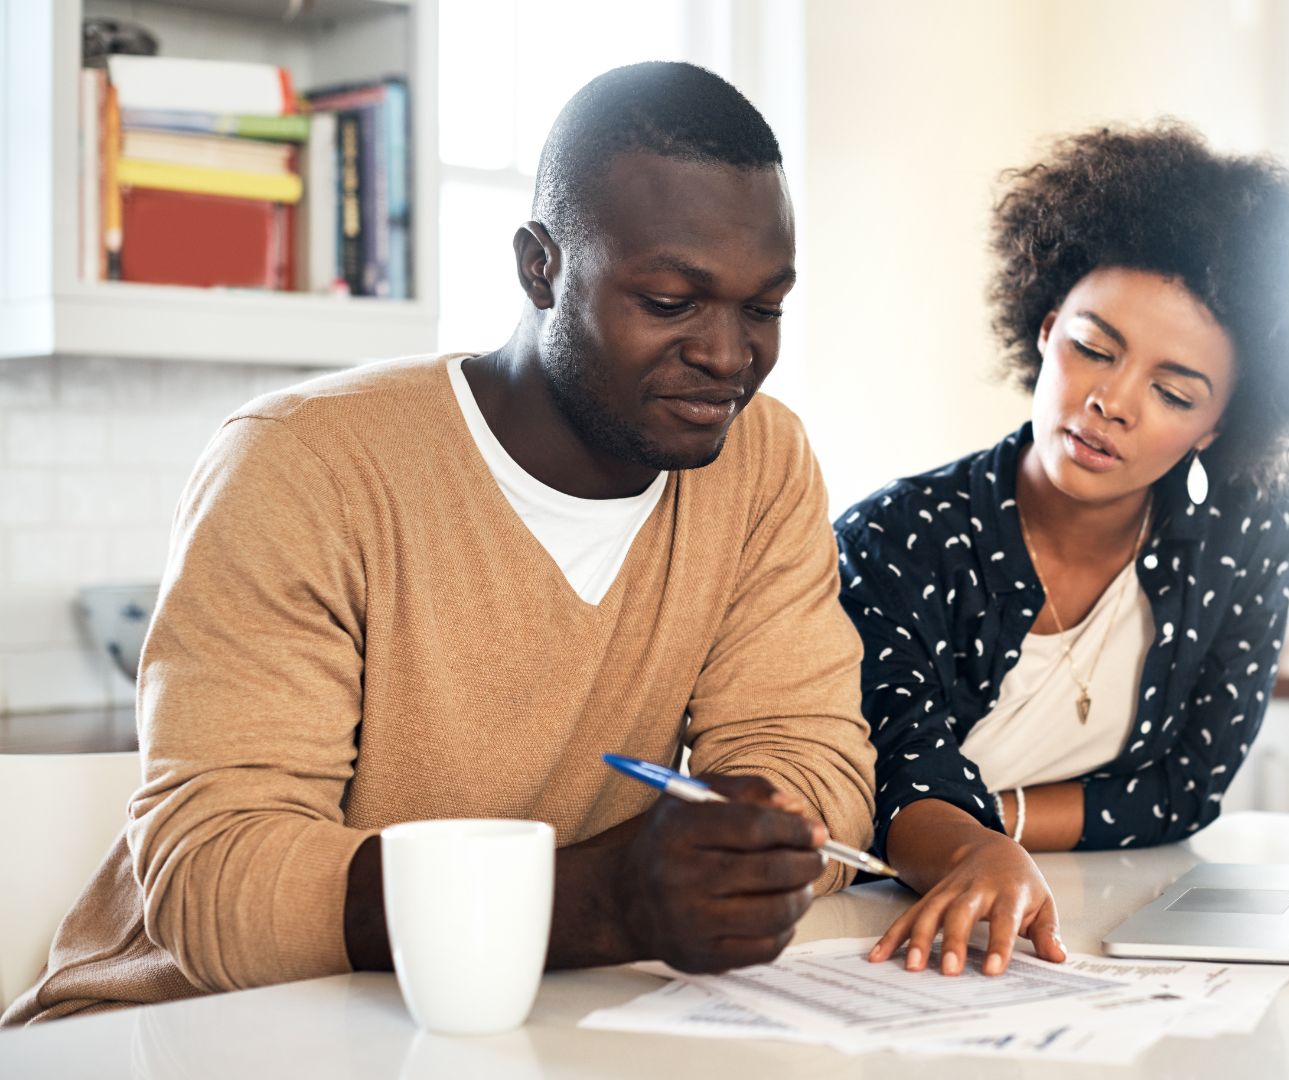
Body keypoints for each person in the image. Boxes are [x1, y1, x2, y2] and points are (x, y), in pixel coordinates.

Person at [4, 62, 874, 1026]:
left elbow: (815, 770)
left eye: (765, 308)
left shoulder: (762, 461)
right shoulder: (302, 464)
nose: (727, 354)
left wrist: (744, 846)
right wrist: (596, 898)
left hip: (521, 1021)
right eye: (671, 301)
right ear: (539, 266)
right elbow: (216, 883)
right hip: (181, 1031)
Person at [837, 123, 1289, 977]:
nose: (1112, 402)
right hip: (892, 934)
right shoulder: (896, 540)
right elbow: (896, 781)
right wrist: (973, 847)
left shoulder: (1246, 521)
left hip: (1102, 930)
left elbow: (1189, 785)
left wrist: (994, 830)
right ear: (1045, 330)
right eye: (1093, 348)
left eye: (1172, 391)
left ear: (1217, 425)